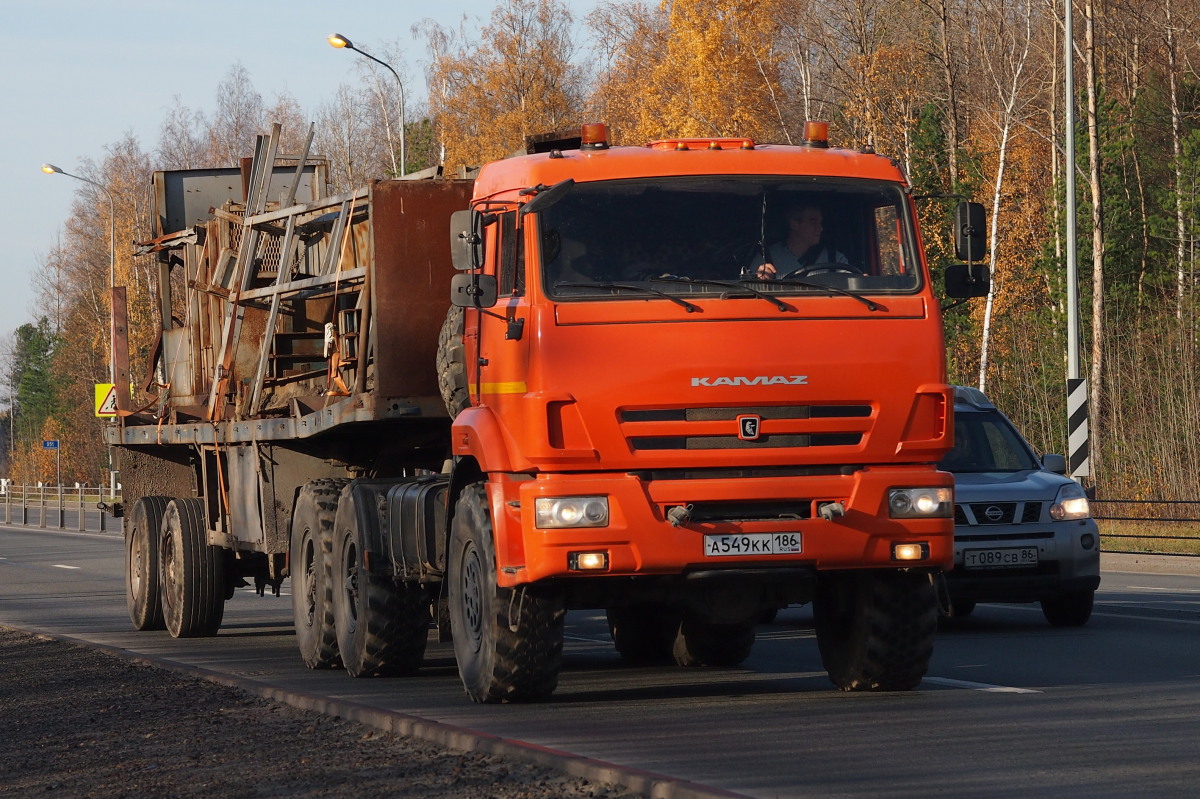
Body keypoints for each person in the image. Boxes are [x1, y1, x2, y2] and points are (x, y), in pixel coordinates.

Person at [753, 203, 850, 279]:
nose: (820, 228)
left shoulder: (834, 259)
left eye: (820, 222)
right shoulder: (766, 257)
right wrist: (759, 279)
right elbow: (750, 293)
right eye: (813, 222)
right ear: (794, 224)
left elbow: (852, 284)